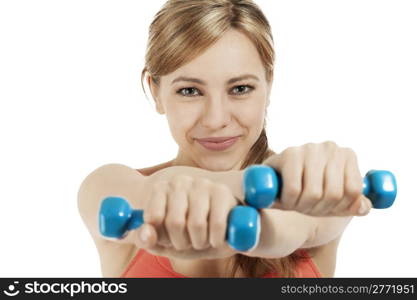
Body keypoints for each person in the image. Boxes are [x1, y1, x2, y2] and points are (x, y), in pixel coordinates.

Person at [77, 0, 373, 278]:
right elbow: (160, 190)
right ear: (155, 91)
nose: (216, 119)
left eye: (240, 88)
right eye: (190, 91)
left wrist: (288, 194)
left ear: (268, 84)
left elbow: (293, 226)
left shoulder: (317, 195)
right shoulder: (107, 188)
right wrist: (275, 179)